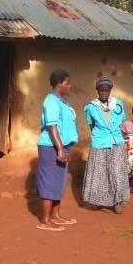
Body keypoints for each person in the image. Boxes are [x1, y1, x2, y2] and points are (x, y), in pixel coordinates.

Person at [35, 69, 79, 231]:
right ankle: (45, 220)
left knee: (59, 181)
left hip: (62, 146)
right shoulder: (51, 101)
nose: (69, 86)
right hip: (51, 146)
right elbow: (52, 125)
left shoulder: (62, 101)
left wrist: (65, 147)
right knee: (49, 181)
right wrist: (60, 149)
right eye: (67, 83)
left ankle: (56, 216)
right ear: (59, 84)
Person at [82, 76, 130, 213]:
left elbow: (122, 122)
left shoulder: (118, 104)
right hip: (100, 142)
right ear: (97, 91)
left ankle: (117, 201)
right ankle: (101, 202)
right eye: (101, 90)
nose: (104, 93)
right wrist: (100, 137)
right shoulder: (91, 107)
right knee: (101, 172)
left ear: (110, 90)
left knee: (116, 171)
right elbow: (91, 126)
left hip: (116, 141)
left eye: (107, 90)